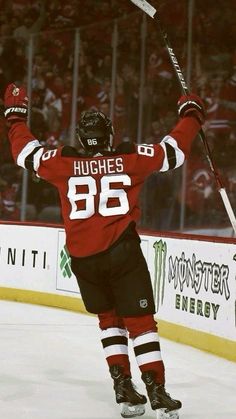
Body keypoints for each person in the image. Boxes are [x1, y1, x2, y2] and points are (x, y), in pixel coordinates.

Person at [3, 82, 205, 419]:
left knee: (109, 320)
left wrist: (16, 116)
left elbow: (25, 152)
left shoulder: (61, 162)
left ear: (81, 139)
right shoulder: (129, 158)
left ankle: (123, 386)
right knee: (141, 323)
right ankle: (156, 390)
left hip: (83, 260)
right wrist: (192, 113)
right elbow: (174, 152)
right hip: (121, 252)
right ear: (109, 136)